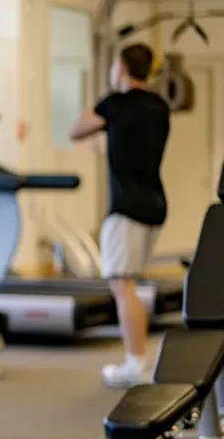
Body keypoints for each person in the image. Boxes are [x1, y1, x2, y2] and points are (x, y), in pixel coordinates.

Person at [69, 42, 170, 388]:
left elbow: (77, 128)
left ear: (122, 69)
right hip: (155, 205)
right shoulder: (159, 106)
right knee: (130, 283)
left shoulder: (115, 104)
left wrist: (108, 96)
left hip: (126, 208)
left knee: (122, 286)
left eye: (115, 66)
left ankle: (136, 365)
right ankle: (137, 359)